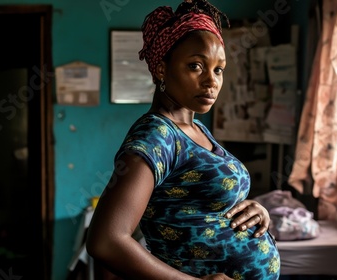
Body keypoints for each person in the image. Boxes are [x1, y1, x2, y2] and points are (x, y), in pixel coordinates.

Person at [86, 1, 280, 279]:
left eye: (218, 69)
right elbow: (106, 241)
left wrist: (254, 210)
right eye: (196, 66)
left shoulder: (197, 129)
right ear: (162, 69)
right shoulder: (156, 135)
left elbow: (201, 205)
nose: (211, 81)